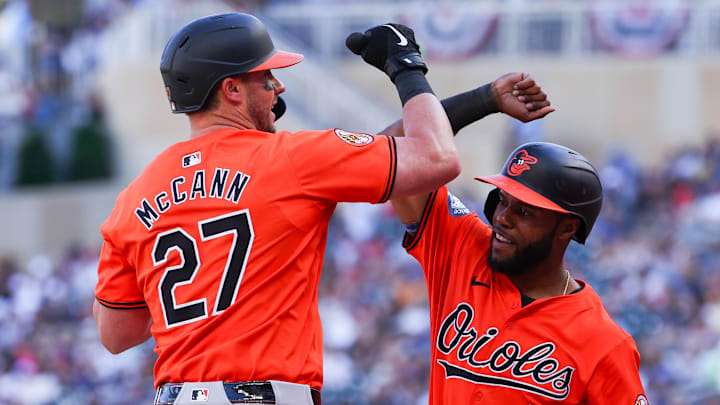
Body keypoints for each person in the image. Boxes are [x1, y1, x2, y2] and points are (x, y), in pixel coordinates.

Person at [91, 12, 544, 405]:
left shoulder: (133, 196)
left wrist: (481, 100)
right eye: (265, 77)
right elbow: (434, 158)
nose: (278, 85)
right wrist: (407, 67)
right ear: (231, 89)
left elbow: (117, 334)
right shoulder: (292, 158)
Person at [387, 118, 650, 401]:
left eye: (524, 212)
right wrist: (484, 100)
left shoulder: (604, 343)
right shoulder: (464, 250)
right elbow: (390, 154)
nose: (502, 217)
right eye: (502, 200)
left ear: (567, 228)